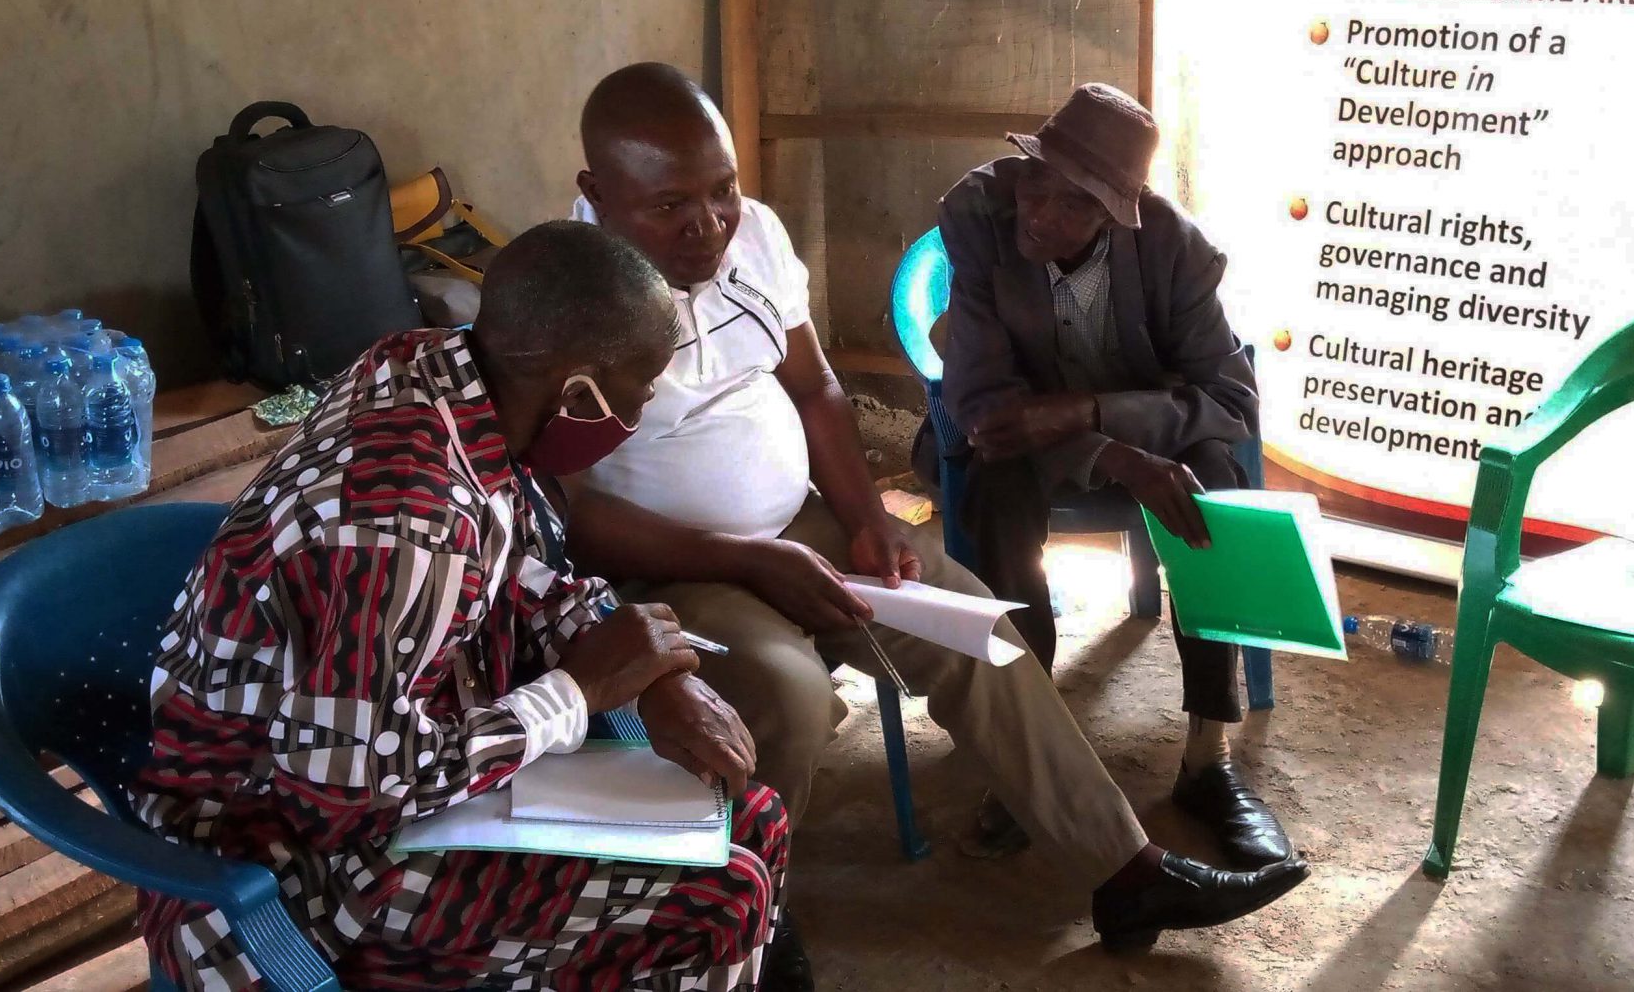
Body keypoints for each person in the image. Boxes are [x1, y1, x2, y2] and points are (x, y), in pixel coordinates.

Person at [562, 62, 1306, 952]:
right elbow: (565, 514)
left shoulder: (752, 235)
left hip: (806, 524)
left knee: (977, 628)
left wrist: (868, 517)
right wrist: (752, 561)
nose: (709, 224)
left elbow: (817, 390)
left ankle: (1129, 870)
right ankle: (738, 916)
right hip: (681, 562)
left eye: (722, 192)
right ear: (597, 194)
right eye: (671, 206)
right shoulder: (565, 298)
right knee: (793, 697)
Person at [133, 222, 800, 991]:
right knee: (720, 898)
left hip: (386, 768)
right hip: (282, 869)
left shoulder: (438, 376)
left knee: (752, 818)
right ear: (575, 387)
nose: (642, 409)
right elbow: (347, 796)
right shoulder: (406, 524)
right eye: (640, 390)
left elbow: (511, 571)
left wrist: (654, 669)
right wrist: (574, 693)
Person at [933, 83, 1290, 869]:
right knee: (993, 487)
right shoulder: (977, 216)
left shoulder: (1176, 251)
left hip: (1141, 428)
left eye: (1071, 203)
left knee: (1212, 485)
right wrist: (1111, 454)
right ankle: (1032, 759)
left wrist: (1092, 412)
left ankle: (1208, 759)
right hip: (1017, 439)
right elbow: (987, 403)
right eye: (1035, 180)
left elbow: (1229, 398)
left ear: (1113, 215)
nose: (1037, 211)